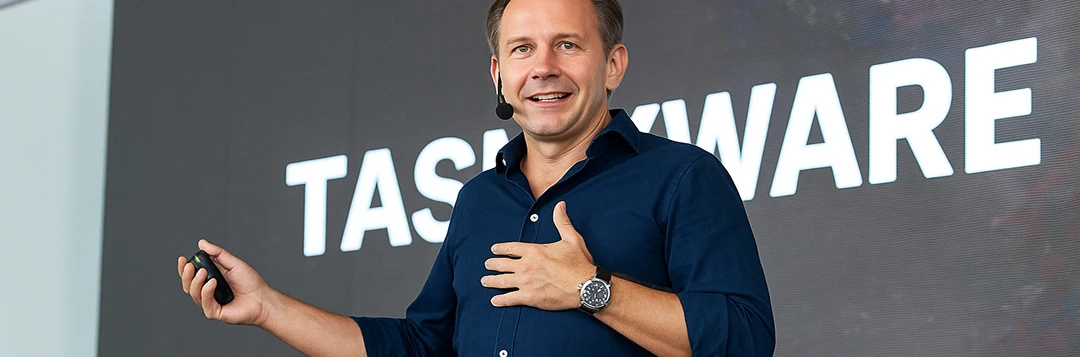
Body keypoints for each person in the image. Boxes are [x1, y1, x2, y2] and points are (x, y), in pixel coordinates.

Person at [176, 0, 775, 355]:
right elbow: (423, 347)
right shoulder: (479, 199)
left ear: (613, 64)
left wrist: (591, 289)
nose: (543, 67)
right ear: (498, 74)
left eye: (568, 45)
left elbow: (745, 339)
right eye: (522, 49)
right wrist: (268, 308)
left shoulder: (682, 176)